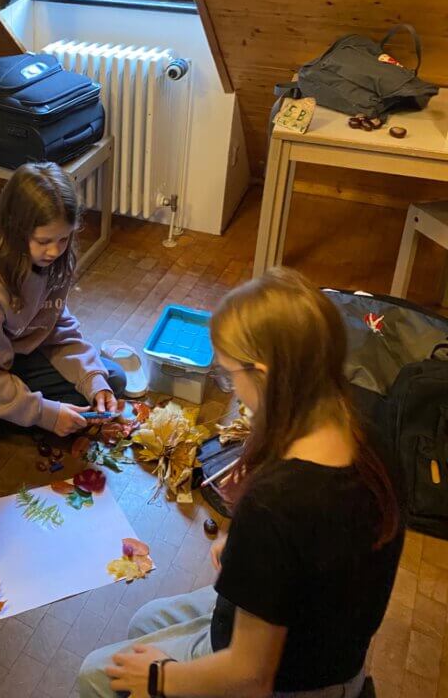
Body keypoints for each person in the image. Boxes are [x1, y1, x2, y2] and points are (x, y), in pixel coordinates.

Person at [79, 267, 403, 698]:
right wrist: (248, 550)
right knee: (145, 623)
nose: (232, 387)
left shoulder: (275, 505)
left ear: (264, 374)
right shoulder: (368, 437)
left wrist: (160, 678)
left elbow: (251, 677)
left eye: (231, 375)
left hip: (289, 681)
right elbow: (317, 551)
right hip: (325, 648)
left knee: (95, 675)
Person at [0, 162, 126, 455]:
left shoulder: (46, 258)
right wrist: (45, 414)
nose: (55, 251)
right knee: (59, 407)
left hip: (7, 352)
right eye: (44, 241)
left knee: (110, 380)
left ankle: (6, 408)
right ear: (15, 229)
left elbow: (54, 323)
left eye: (64, 238)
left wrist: (93, 379)